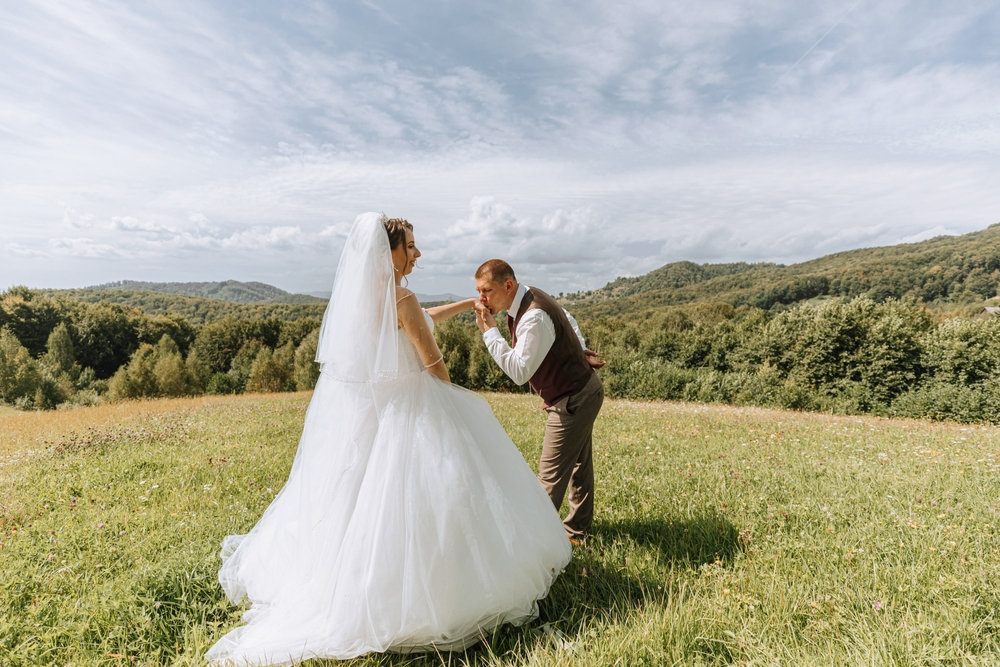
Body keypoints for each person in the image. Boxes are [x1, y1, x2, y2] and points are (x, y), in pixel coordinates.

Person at [206, 214, 571, 665]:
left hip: (375, 410)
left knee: (358, 498)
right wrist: (452, 393)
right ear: (390, 252)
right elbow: (431, 357)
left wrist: (461, 306)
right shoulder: (403, 297)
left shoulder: (365, 300)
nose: (417, 253)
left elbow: (416, 319)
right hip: (414, 404)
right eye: (411, 246)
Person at [474, 260, 605, 546]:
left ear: (508, 285)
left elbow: (520, 372)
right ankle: (577, 533)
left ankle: (532, 547)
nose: (481, 299)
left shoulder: (532, 315)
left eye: (487, 291)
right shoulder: (530, 295)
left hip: (574, 399)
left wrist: (489, 333)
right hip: (582, 391)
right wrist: (578, 347)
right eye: (479, 291)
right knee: (578, 465)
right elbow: (566, 317)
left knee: (548, 479)